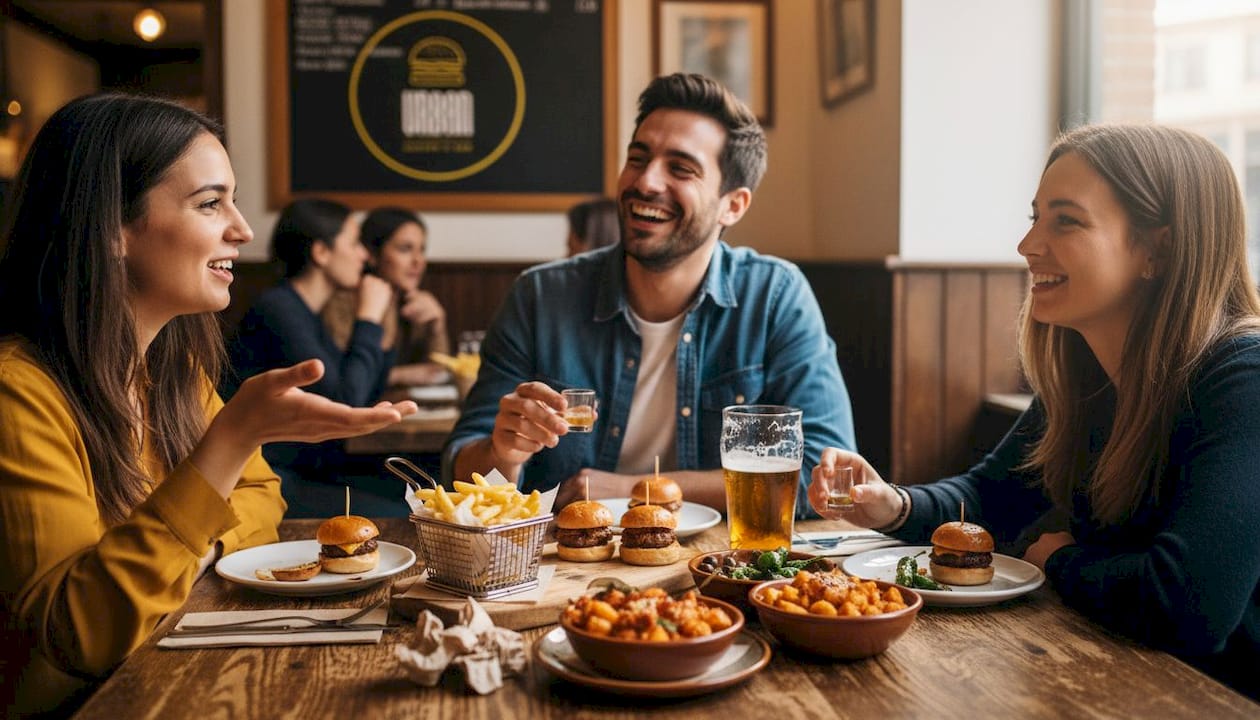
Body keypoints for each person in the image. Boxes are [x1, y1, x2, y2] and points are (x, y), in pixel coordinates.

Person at [807, 124, 1260, 699]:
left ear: (1158, 249)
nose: (1027, 246)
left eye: (1065, 220)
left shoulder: (1243, 378)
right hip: (1117, 680)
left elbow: (1187, 607)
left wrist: (1061, 560)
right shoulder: (1087, 374)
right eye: (1035, 217)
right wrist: (892, 505)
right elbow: (992, 498)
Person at [0, 94, 415, 716]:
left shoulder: (172, 370)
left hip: (166, 668)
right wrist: (229, 441)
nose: (243, 229)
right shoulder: (18, 391)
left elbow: (264, 499)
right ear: (111, 227)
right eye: (210, 203)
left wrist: (196, 550)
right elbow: (80, 636)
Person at [443, 73, 854, 515]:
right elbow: (461, 467)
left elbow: (822, 476)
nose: (646, 182)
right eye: (637, 159)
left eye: (680, 168)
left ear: (732, 205)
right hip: (560, 566)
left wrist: (632, 489)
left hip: (722, 565)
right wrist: (503, 455)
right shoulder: (539, 296)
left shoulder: (774, 296)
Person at [226, 199, 406, 518]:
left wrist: (382, 324)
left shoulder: (307, 313)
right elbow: (346, 401)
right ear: (321, 252)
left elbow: (367, 395)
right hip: (270, 480)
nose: (364, 255)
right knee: (404, 513)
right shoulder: (279, 310)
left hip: (309, 471)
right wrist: (367, 320)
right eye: (353, 243)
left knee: (422, 496)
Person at [323, 207, 450, 387]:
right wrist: (399, 375)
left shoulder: (412, 303)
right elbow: (345, 379)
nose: (418, 261)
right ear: (373, 255)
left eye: (421, 250)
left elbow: (438, 374)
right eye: (405, 249)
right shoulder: (342, 302)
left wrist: (437, 325)